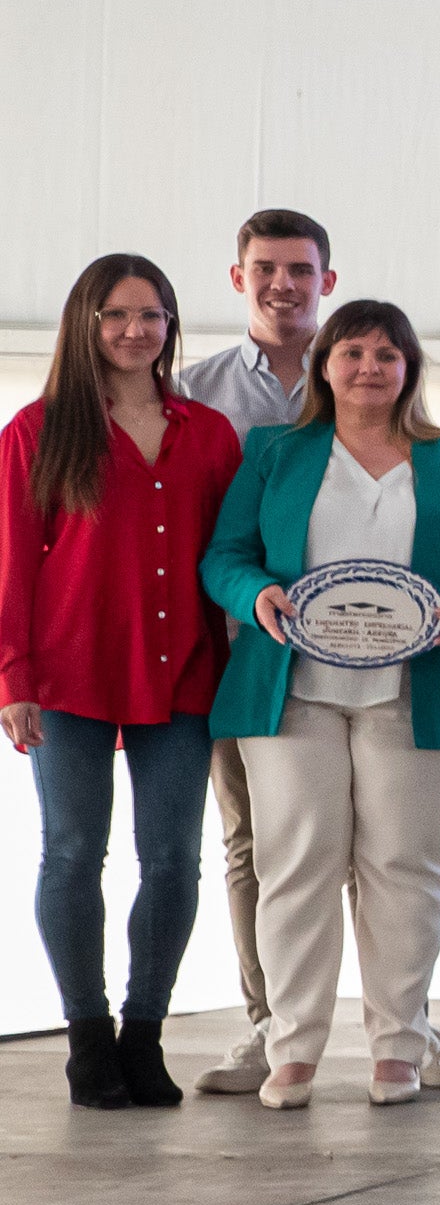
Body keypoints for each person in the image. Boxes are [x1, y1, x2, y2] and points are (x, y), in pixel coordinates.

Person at [178, 210, 440, 1089]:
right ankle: (290, 1048)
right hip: (287, 688)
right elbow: (224, 555)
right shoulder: (274, 451)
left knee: (404, 864)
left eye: (386, 355)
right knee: (292, 864)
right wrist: (257, 596)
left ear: (409, 368)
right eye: (352, 354)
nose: (368, 367)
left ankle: (400, 1043)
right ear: (327, 364)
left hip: (413, 688)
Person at [1, 254, 241, 1108]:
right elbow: (11, 566)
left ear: (172, 326)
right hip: (67, 673)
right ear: (85, 324)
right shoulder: (37, 431)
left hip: (184, 673)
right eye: (117, 315)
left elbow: (227, 555)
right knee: (72, 853)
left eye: (154, 314)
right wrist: (13, 677)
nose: (136, 330)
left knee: (174, 861)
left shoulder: (209, 433)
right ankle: (87, 1037)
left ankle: (145, 1033)